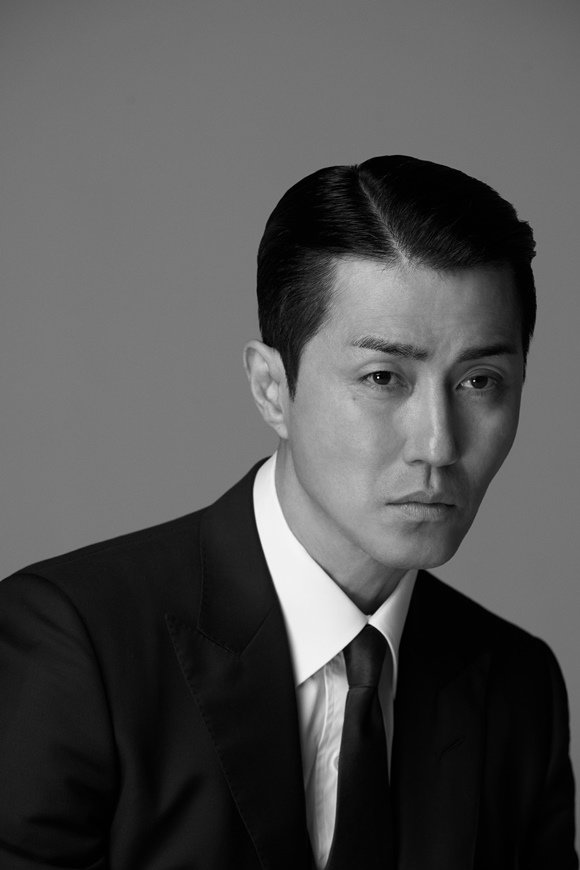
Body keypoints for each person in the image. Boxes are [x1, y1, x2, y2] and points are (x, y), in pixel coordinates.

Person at [0, 155, 577, 869]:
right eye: (383, 377)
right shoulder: (73, 647)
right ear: (272, 389)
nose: (438, 445)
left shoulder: (518, 687)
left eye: (480, 381)